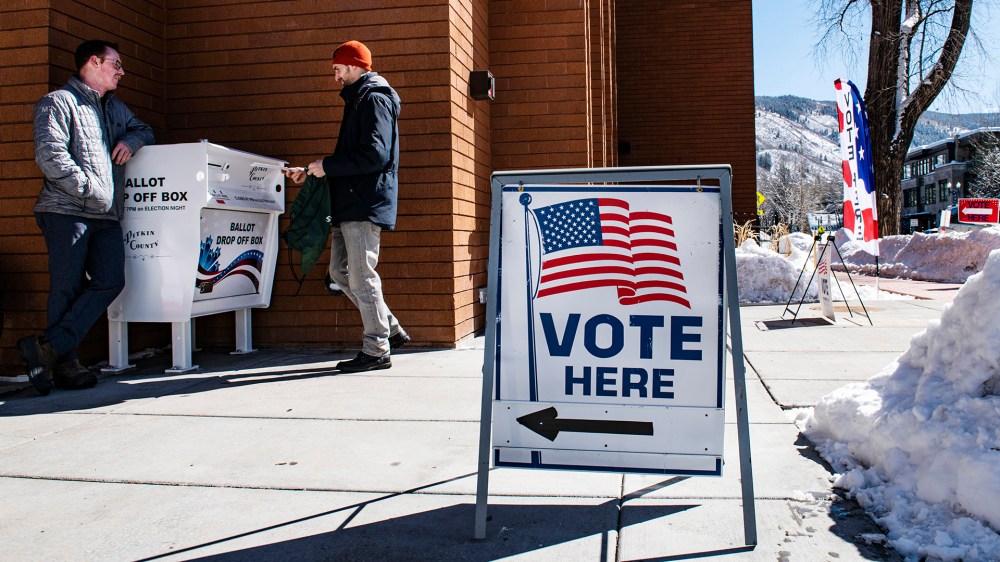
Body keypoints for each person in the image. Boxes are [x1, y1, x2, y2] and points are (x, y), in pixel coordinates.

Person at [18, 40, 155, 396]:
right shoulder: (58, 102)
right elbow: (50, 156)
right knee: (67, 285)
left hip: (106, 215)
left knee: (111, 279)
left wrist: (132, 142)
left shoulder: (114, 108)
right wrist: (90, 189)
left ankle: (47, 349)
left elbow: (145, 128)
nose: (121, 71)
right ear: (94, 62)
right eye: (116, 64)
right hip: (66, 210)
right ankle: (66, 365)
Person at [285, 40, 409, 372]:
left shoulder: (374, 100)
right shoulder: (357, 101)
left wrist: (328, 165)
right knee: (340, 272)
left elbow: (375, 155)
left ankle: (377, 348)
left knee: (361, 275)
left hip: (364, 203)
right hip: (350, 201)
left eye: (337, 69)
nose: (335, 77)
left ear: (354, 66)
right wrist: (314, 170)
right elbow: (350, 159)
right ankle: (390, 329)